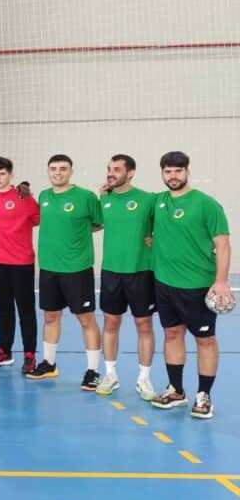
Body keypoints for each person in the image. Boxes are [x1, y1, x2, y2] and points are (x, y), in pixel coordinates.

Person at [149, 151, 233, 419]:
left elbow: (223, 245)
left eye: (178, 171)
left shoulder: (206, 204)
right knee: (172, 334)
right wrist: (107, 189)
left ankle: (204, 395)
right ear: (162, 173)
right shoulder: (158, 202)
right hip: (164, 284)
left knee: (204, 340)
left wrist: (221, 282)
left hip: (197, 285)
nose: (173, 176)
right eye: (168, 171)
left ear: (187, 171)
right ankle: (176, 390)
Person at [28, 154, 104, 387]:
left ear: (71, 171)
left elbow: (99, 222)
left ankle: (93, 371)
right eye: (53, 168)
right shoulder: (44, 196)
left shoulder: (86, 197)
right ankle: (49, 364)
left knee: (86, 319)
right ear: (48, 171)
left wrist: (77, 233)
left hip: (77, 268)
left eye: (63, 169)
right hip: (49, 268)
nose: (58, 173)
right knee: (51, 316)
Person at [95, 155, 157, 399]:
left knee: (144, 324)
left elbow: (166, 225)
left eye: (117, 169)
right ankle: (110, 375)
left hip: (141, 271)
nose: (111, 173)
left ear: (130, 173)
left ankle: (144, 379)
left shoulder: (148, 199)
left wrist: (157, 239)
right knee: (111, 322)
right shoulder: (105, 198)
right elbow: (94, 223)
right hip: (111, 271)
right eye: (109, 169)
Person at [0, 157, 40, 373]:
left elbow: (40, 219)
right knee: (3, 308)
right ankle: (4, 351)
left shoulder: (25, 198)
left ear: (11, 175)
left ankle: (29, 354)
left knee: (25, 309)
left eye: (2, 174)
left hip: (21, 262)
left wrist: (25, 187)